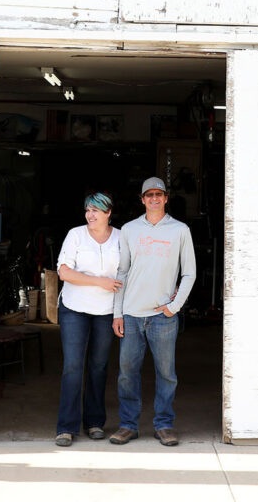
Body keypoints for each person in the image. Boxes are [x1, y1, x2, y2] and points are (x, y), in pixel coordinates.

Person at [110, 177, 196, 447]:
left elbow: (190, 272)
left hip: (162, 316)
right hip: (132, 314)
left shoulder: (180, 230)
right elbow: (121, 271)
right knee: (127, 373)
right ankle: (128, 425)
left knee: (166, 373)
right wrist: (117, 313)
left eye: (159, 194)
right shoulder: (129, 229)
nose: (154, 199)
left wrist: (174, 307)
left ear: (166, 197)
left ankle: (164, 424)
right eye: (149, 195)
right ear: (142, 199)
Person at [54, 191, 122, 446]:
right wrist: (98, 281)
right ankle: (66, 426)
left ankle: (94, 422)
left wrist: (120, 312)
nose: (90, 215)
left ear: (108, 213)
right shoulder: (76, 235)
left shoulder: (121, 237)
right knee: (73, 366)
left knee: (99, 366)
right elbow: (64, 272)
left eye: (96, 210)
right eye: (87, 210)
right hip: (74, 308)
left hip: (106, 310)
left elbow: (127, 273)